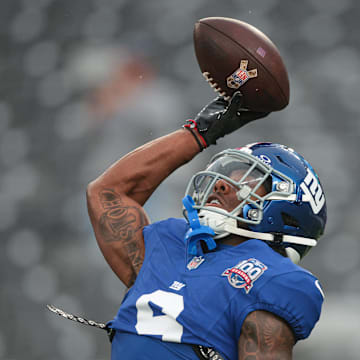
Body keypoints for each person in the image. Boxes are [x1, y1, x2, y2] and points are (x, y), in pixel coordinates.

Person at [86, 93, 327, 360]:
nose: (221, 184)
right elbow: (108, 191)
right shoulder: (171, 243)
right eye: (225, 176)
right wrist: (199, 132)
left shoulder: (273, 277)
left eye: (246, 180)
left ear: (287, 204)